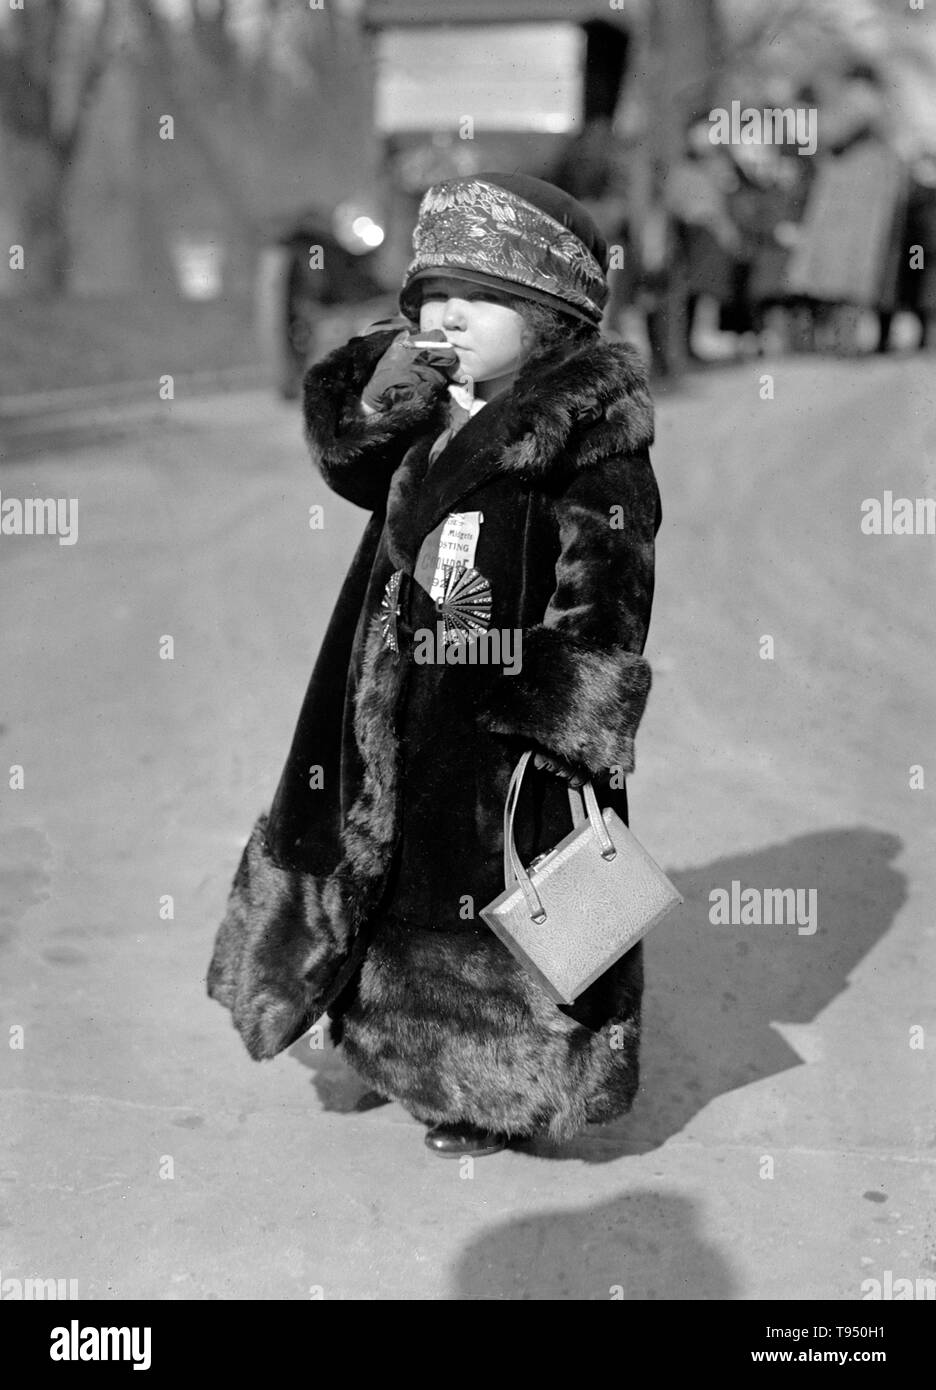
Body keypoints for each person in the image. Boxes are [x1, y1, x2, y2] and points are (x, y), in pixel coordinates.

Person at [207, 172, 661, 1157]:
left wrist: (557, 721)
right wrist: (377, 385)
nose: (449, 316)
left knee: (477, 884)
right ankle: (372, 1035)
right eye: (432, 298)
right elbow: (355, 465)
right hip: (380, 684)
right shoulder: (439, 403)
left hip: (492, 725)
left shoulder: (591, 438)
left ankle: (479, 1081)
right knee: (376, 857)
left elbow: (607, 594)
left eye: (481, 299)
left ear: (549, 318)